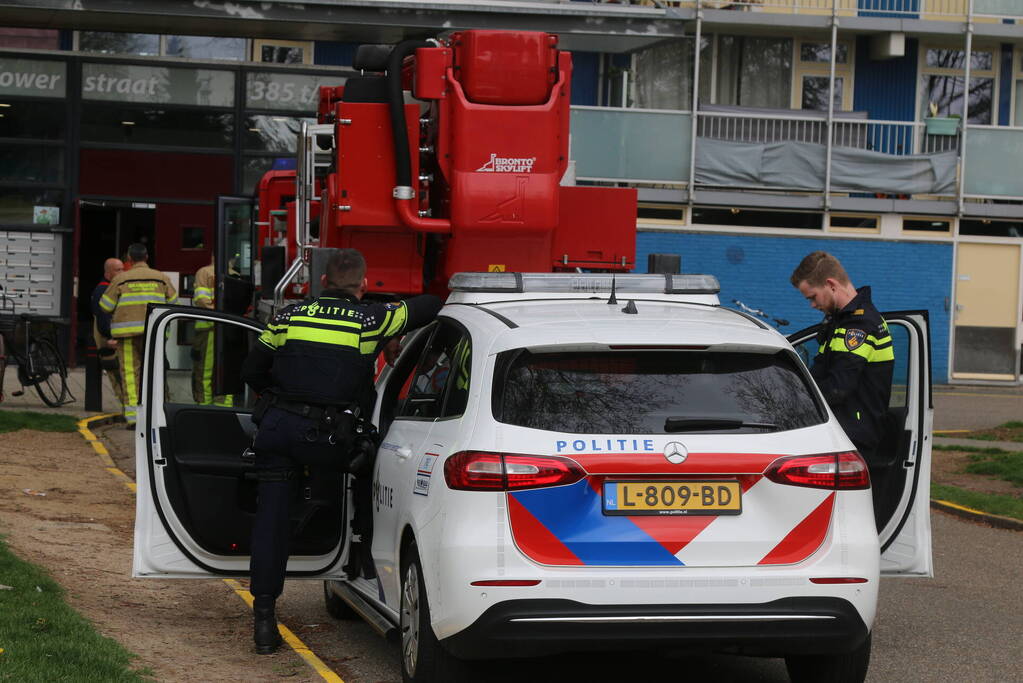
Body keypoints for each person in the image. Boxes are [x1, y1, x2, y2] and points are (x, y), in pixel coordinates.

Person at [239, 248, 441, 655]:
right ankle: (362, 559)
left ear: (322, 282)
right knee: (369, 464)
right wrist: (389, 316)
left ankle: (263, 618)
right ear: (363, 285)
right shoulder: (371, 319)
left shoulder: (287, 316)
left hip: (279, 430)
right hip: (331, 439)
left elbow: (251, 371)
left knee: (272, 521)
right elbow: (432, 305)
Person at [790, 251, 894, 464]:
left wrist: (796, 406)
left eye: (812, 297)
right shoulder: (842, 321)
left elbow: (838, 388)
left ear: (831, 284)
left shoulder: (859, 326)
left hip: (852, 437)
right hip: (844, 432)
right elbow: (820, 373)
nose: (812, 304)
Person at [99, 243, 178, 427]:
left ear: (129, 259)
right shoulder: (161, 278)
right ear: (147, 257)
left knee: (129, 374)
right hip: (155, 334)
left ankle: (134, 418)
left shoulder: (121, 279)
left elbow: (105, 306)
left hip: (126, 335)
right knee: (153, 372)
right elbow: (174, 303)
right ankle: (155, 415)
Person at [190, 258, 233, 406]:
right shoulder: (235, 275)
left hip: (208, 329)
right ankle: (225, 408)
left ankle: (204, 408)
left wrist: (217, 315)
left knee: (204, 373)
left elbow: (201, 300)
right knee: (226, 371)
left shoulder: (204, 272)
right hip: (229, 329)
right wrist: (228, 317)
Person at [91, 257, 126, 414]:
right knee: (116, 375)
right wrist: (111, 337)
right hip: (108, 338)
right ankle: (127, 409)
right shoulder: (103, 290)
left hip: (112, 336)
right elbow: (103, 318)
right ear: (107, 272)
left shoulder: (112, 287)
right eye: (118, 270)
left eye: (123, 269)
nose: (122, 273)